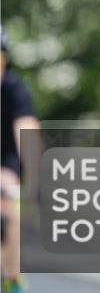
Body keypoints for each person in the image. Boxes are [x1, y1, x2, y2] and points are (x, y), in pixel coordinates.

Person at [1, 26, 40, 293]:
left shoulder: (14, 88)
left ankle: (13, 278)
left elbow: (26, 130)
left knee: (8, 196)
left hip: (4, 157)